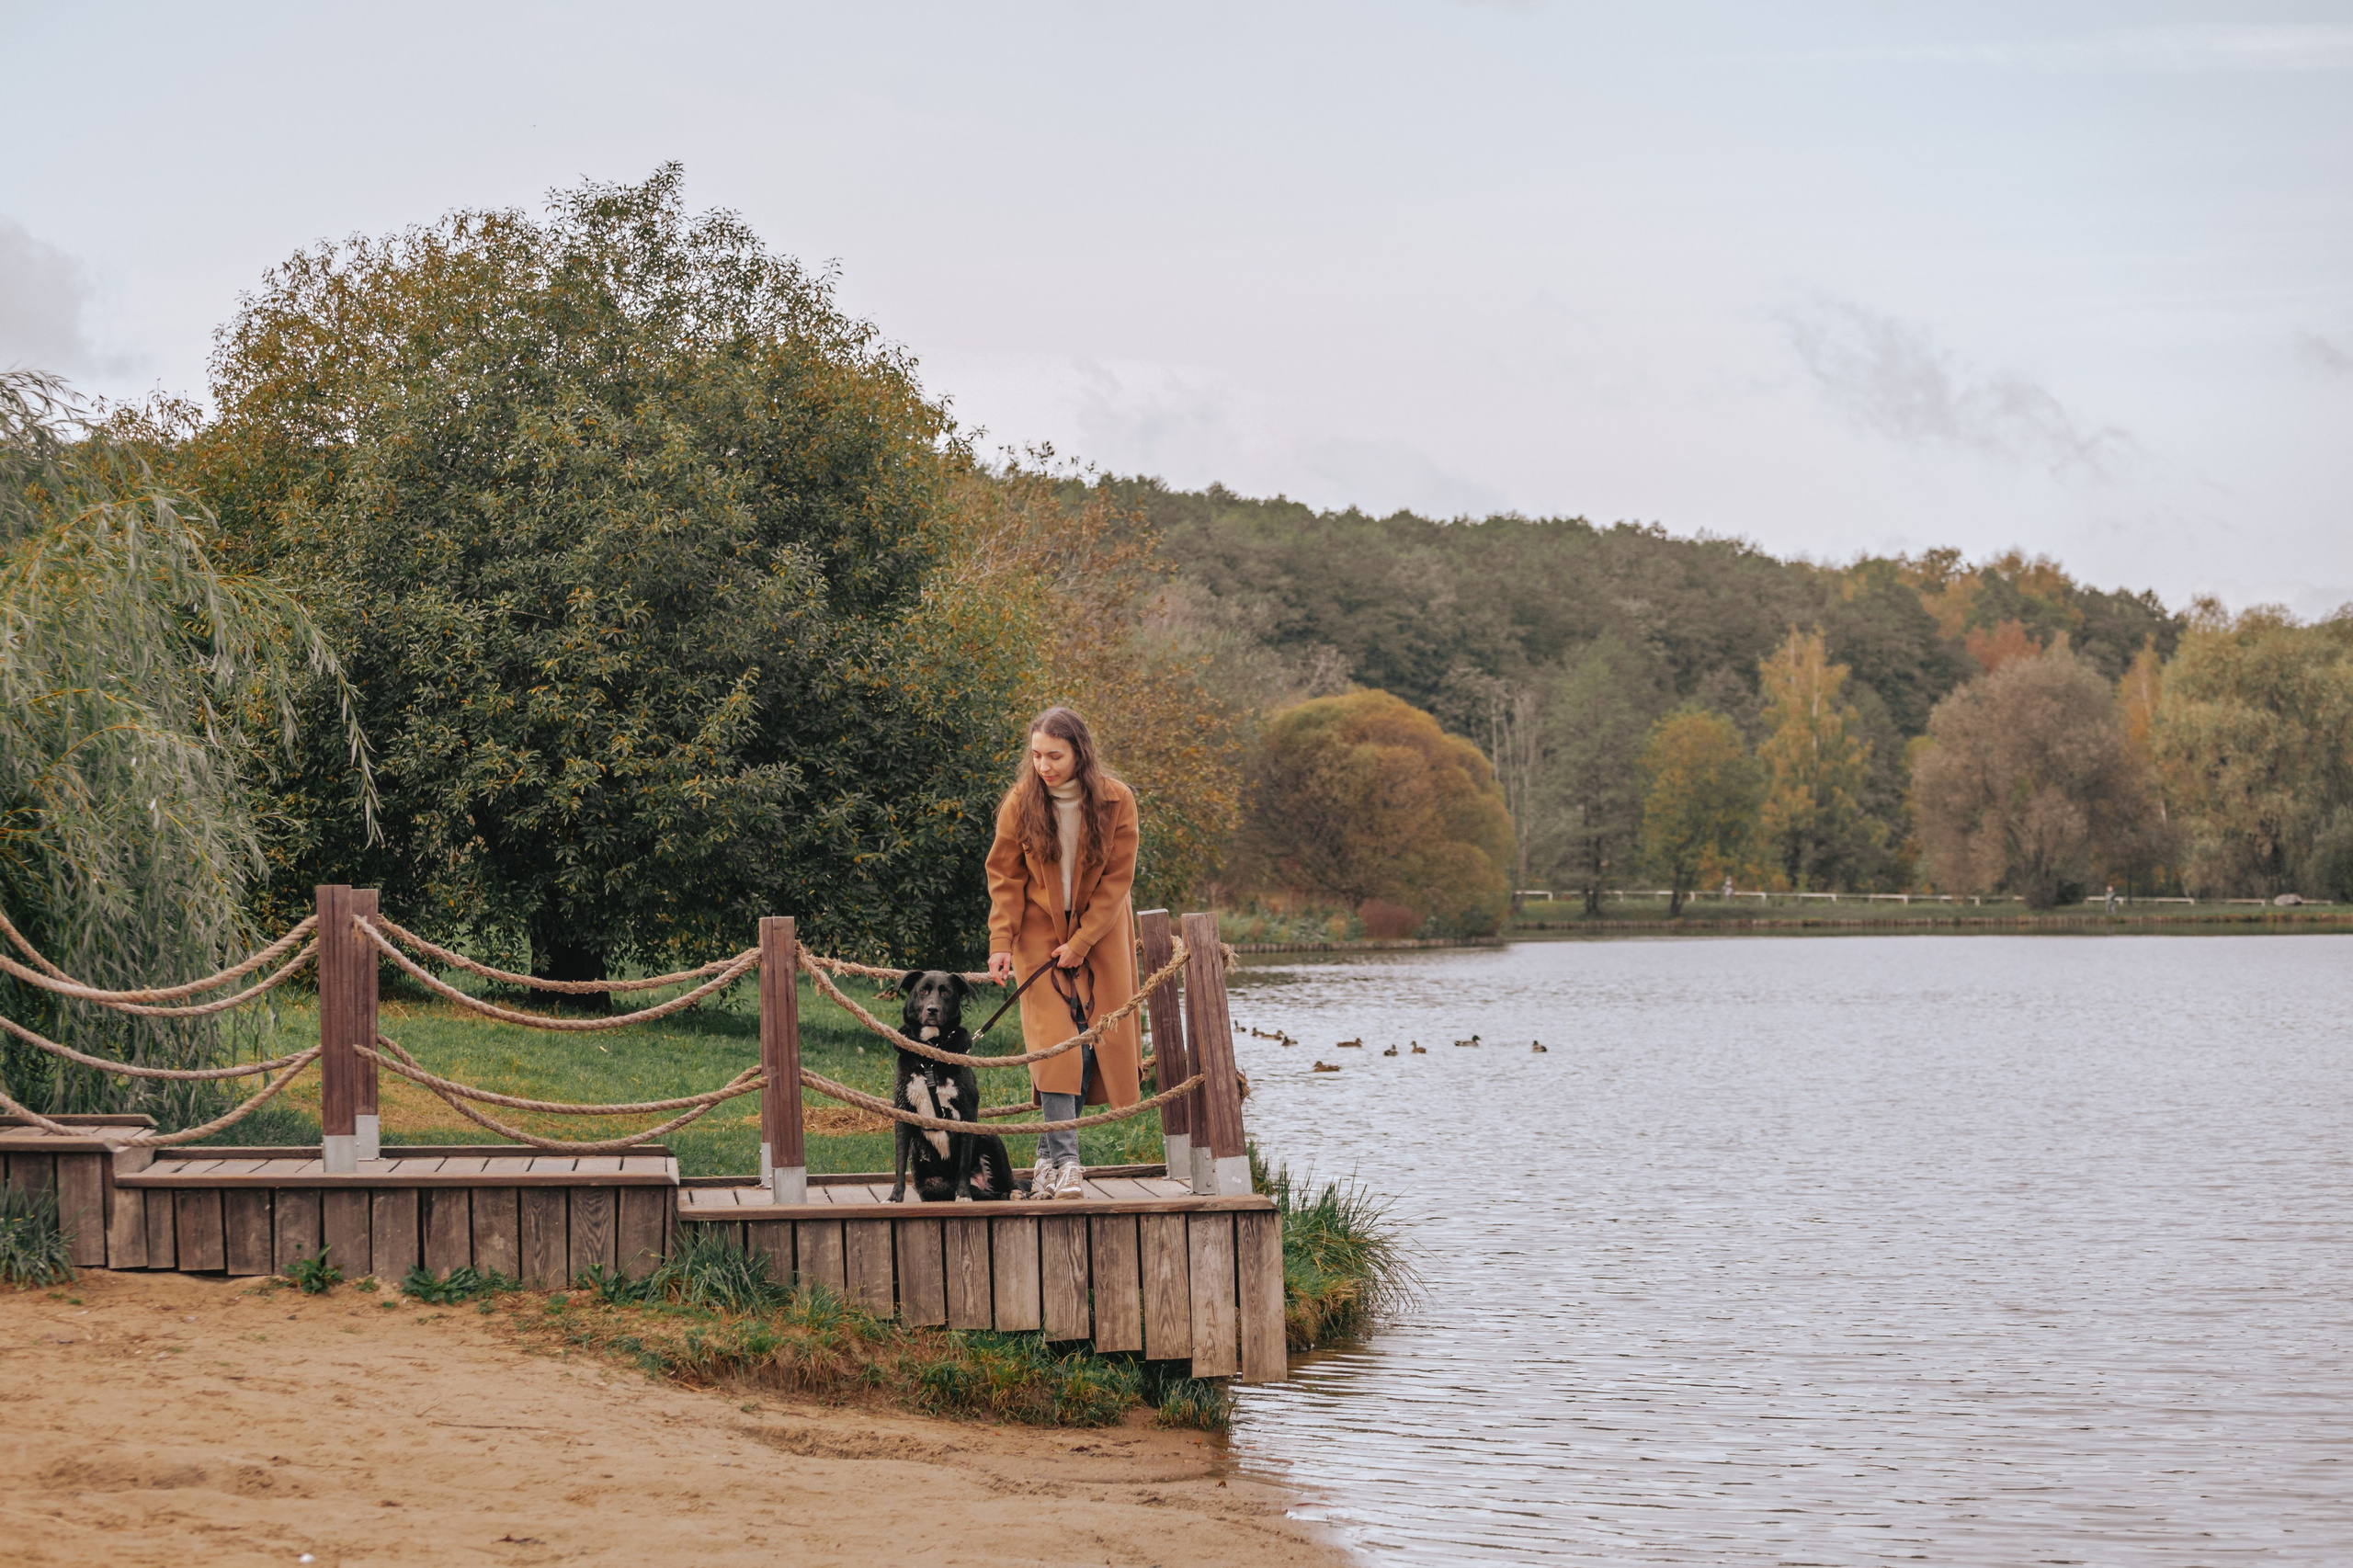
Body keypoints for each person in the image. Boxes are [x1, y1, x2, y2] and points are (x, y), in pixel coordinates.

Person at [984, 706, 1144, 1201]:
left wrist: (1081, 942)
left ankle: (1047, 1156)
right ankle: (1069, 1164)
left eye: (1054, 755)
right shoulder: (1020, 802)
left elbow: (1118, 880)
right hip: (1037, 934)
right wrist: (1001, 942)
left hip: (1101, 933)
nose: (1043, 766)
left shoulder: (1118, 801)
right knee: (1057, 1041)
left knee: (1096, 1037)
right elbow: (1005, 878)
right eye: (1036, 755)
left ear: (1080, 752)